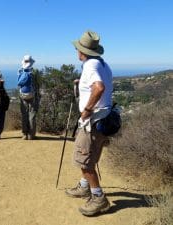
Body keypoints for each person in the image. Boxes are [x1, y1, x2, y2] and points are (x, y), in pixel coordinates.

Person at [65, 30, 113, 216]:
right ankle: (85, 187)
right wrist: (82, 82)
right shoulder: (102, 64)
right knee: (91, 156)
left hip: (92, 121)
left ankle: (98, 198)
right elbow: (102, 84)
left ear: (82, 51)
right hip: (104, 118)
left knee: (84, 161)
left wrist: (86, 111)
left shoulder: (90, 65)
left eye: (77, 48)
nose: (76, 51)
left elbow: (99, 88)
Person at [17, 55, 40, 140]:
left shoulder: (20, 71)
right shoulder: (34, 71)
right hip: (33, 95)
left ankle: (24, 134)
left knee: (24, 115)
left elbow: (19, 83)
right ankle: (31, 135)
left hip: (23, 95)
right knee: (32, 115)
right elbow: (37, 83)